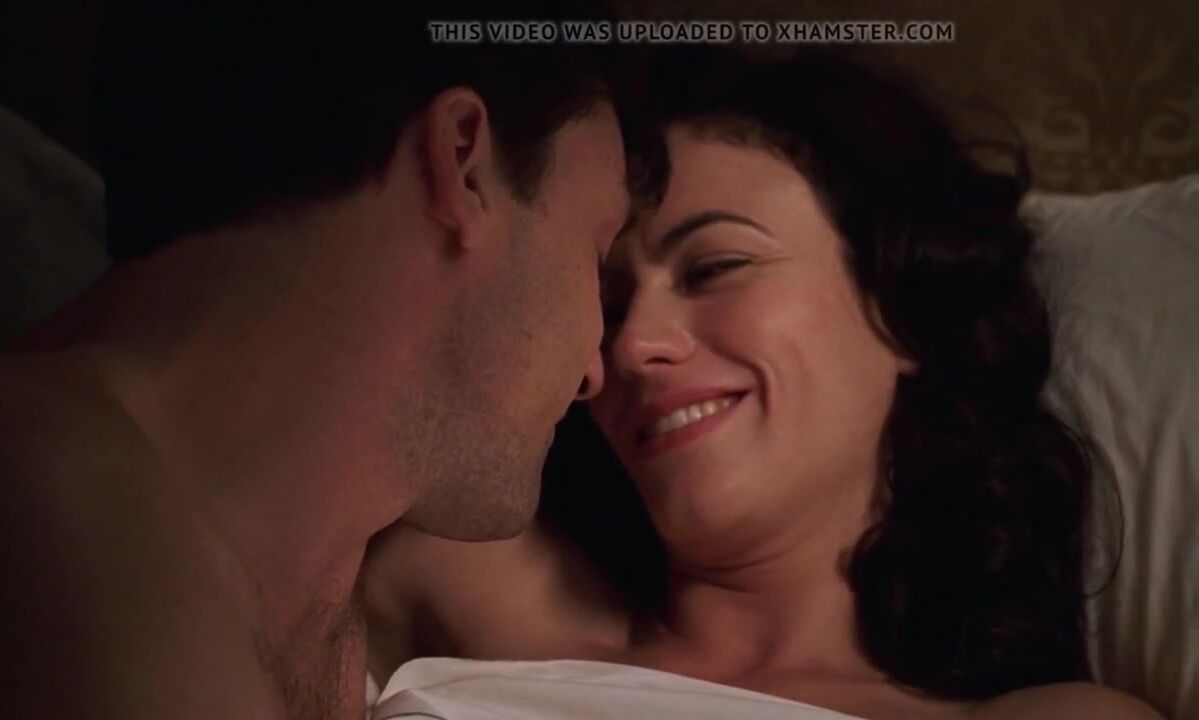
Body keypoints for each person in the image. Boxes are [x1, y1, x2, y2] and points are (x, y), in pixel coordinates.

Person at [362, 49, 1162, 719]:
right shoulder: (442, 580)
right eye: (606, 305)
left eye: (714, 268)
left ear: (903, 308)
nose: (631, 346)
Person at [0, 2, 630, 718]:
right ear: (462, 162)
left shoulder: (308, 587)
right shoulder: (57, 503)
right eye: (598, 257)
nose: (594, 369)